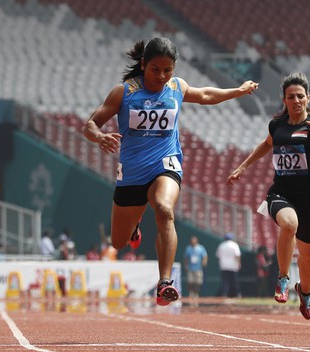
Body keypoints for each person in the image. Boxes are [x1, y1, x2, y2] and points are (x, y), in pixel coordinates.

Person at [83, 37, 258, 306]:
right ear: (143, 64)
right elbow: (90, 124)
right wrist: (99, 137)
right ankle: (133, 228)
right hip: (132, 172)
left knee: (165, 209)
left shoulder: (176, 87)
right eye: (155, 70)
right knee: (118, 242)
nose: (162, 76)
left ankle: (164, 282)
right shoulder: (124, 92)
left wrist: (238, 90)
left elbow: (206, 95)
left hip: (166, 163)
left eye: (168, 70)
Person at [227, 72, 310, 320]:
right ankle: (283, 278)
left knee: (308, 254)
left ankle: (305, 291)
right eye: (291, 96)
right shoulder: (276, 125)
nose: (296, 100)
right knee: (289, 224)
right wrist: (243, 166)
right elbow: (266, 144)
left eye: (300, 96)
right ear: (284, 100)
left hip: (309, 199)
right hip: (281, 193)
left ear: (308, 98)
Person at [216, 233, 242, 298]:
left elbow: (218, 256)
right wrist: (239, 263)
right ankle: (237, 294)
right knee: (234, 281)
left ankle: (224, 294)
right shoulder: (234, 245)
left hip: (224, 266)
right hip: (233, 266)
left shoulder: (221, 245)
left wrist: (220, 263)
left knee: (225, 281)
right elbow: (237, 255)